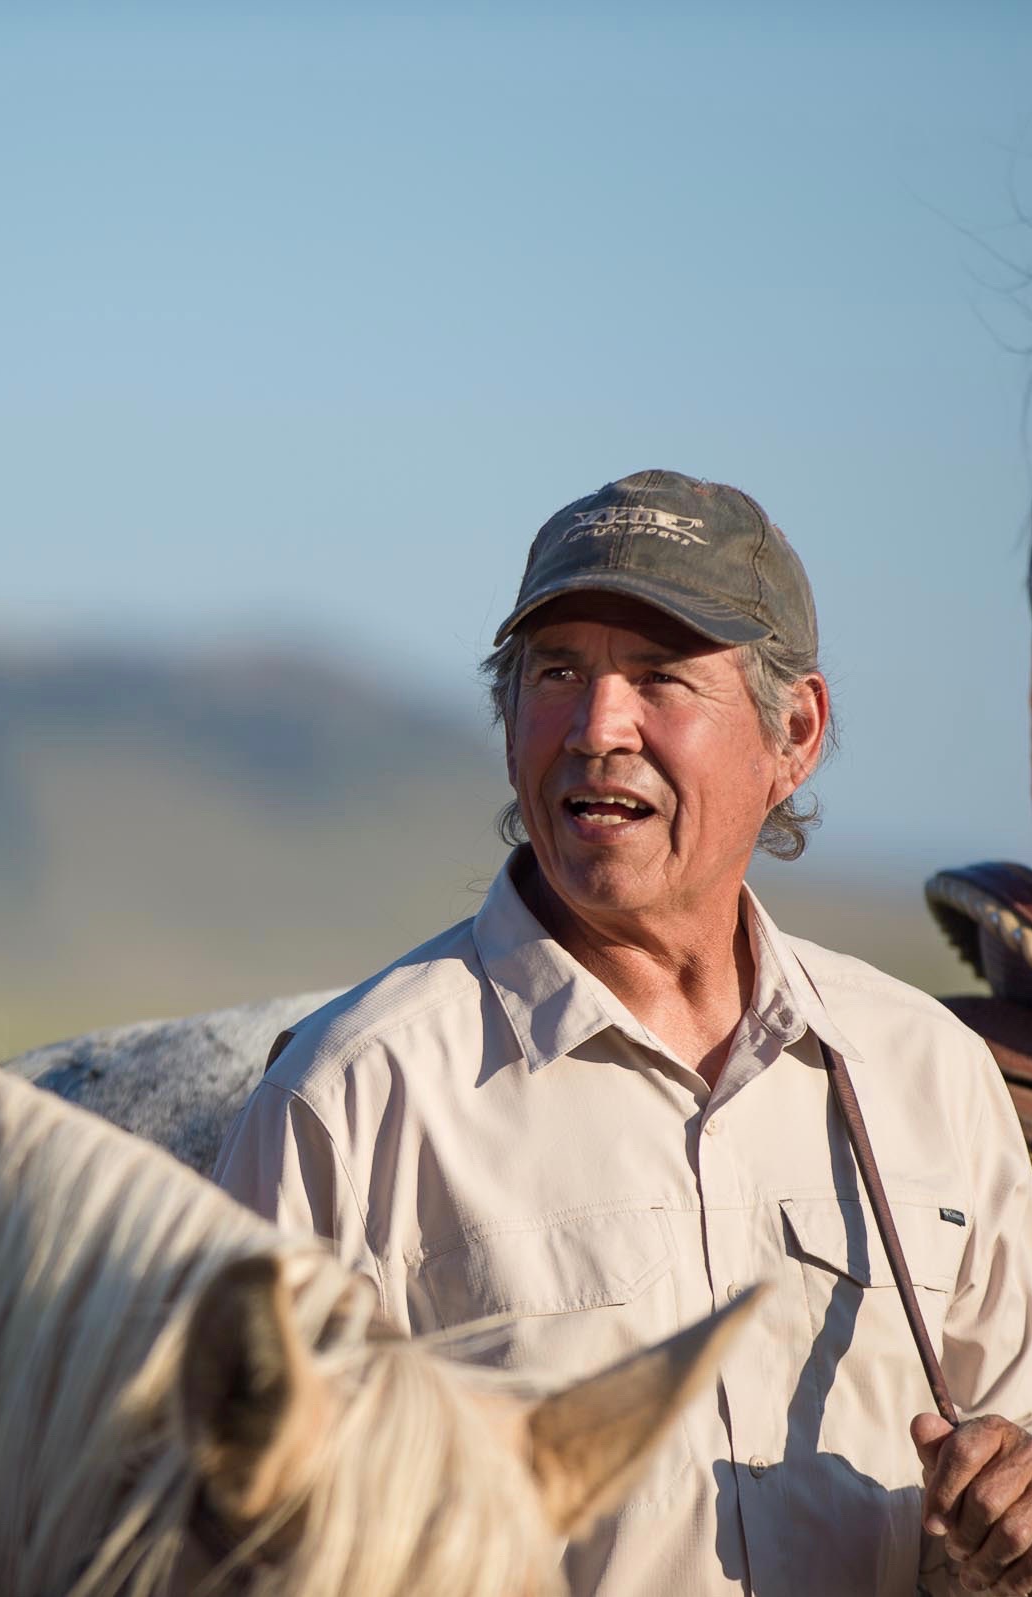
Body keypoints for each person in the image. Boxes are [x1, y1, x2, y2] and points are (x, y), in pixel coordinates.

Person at [214, 469, 1032, 1597]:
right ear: (510, 726)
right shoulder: (350, 1099)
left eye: (660, 679)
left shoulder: (927, 1074)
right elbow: (231, 1541)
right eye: (557, 674)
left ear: (792, 734)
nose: (598, 727)